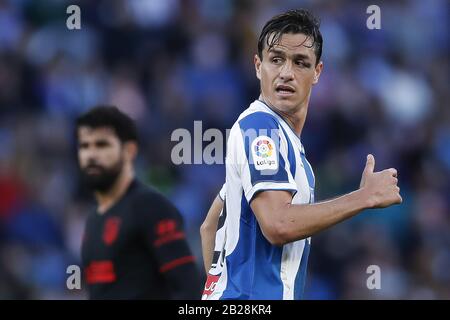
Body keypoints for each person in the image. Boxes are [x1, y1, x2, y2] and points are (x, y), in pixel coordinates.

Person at [201, 9, 402, 300]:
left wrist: (217, 293)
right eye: (276, 59)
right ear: (258, 66)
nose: (286, 73)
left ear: (317, 72)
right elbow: (277, 224)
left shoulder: (287, 147)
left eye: (300, 62)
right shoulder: (260, 128)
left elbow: (210, 226)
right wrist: (364, 197)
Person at [76, 106, 202, 299]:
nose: (91, 155)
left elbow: (188, 286)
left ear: (128, 151)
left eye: (102, 145)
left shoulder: (150, 206)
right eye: (85, 146)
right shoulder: (93, 220)